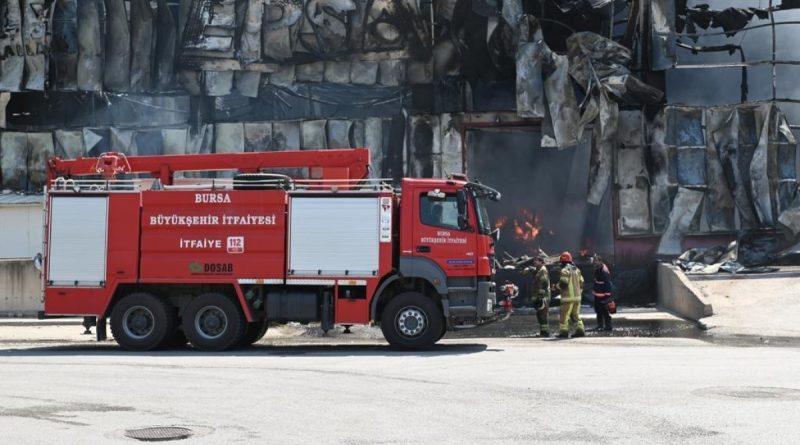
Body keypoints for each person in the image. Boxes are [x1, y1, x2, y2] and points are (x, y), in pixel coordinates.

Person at [556, 251, 585, 339]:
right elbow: (582, 282)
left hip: (568, 298)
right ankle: (580, 331)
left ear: (562, 261)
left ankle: (563, 332)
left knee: (564, 315)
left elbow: (564, 283)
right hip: (577, 297)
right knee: (575, 315)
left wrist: (556, 286)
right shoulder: (577, 270)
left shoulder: (565, 270)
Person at [522, 254, 550, 337]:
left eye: (536, 260)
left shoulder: (543, 270)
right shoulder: (538, 270)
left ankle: (545, 332)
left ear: (541, 262)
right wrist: (529, 269)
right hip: (539, 296)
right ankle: (543, 331)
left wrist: (540, 296)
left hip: (543, 297)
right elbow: (534, 270)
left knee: (543, 314)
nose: (534, 262)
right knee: (539, 314)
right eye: (534, 260)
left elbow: (544, 282)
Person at [591, 254, 613, 332]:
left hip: (603, 295)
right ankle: (600, 325)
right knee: (598, 310)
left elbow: (608, 283)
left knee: (605, 310)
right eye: (594, 261)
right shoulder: (598, 269)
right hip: (598, 294)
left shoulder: (604, 271)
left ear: (600, 261)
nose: (594, 262)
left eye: (596, 261)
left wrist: (607, 296)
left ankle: (608, 326)